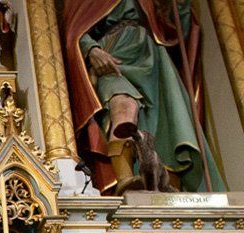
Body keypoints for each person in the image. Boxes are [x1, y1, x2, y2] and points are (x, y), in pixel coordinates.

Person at [62, 0, 226, 194]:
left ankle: (167, 187)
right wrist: (91, 49)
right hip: (112, 54)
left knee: (164, 121)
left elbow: (177, 27)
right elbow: (71, 26)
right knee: (123, 107)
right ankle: (125, 179)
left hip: (150, 54)